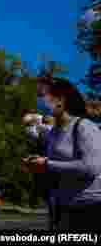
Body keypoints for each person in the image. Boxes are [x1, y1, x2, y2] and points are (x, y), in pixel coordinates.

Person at [24, 78, 101, 231]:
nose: (39, 102)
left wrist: (46, 164)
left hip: (90, 208)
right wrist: (36, 165)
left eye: (42, 96)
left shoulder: (84, 127)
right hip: (63, 208)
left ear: (60, 100)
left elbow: (91, 167)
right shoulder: (53, 133)